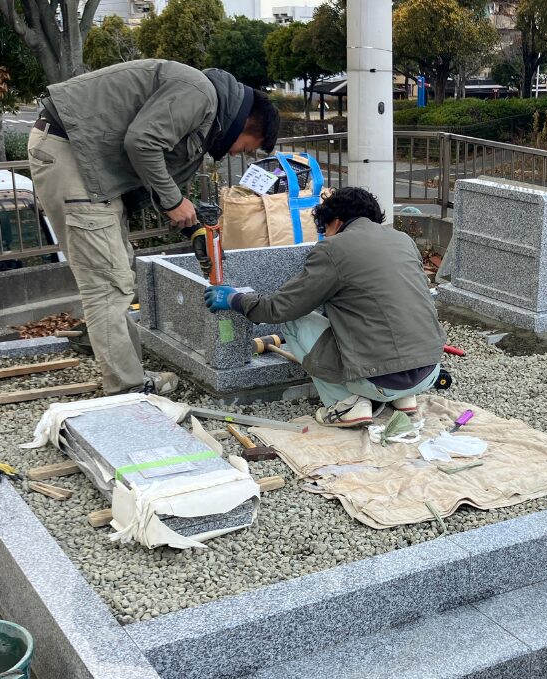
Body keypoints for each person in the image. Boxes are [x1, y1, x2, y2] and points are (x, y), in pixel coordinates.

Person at [27, 59, 280, 395]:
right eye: (245, 147)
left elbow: (158, 169)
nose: (235, 153)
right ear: (247, 122)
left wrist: (192, 229)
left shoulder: (205, 110)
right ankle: (127, 390)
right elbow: (142, 143)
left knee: (116, 273)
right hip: (72, 157)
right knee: (108, 283)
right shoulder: (200, 94)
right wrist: (174, 202)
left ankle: (114, 357)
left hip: (87, 164)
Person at [203, 187, 446, 428]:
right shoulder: (402, 240)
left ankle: (347, 404)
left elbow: (279, 309)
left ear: (337, 221)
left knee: (294, 320)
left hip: (381, 379)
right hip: (429, 370)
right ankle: (403, 399)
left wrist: (236, 299)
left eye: (325, 230)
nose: (325, 237)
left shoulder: (333, 249)